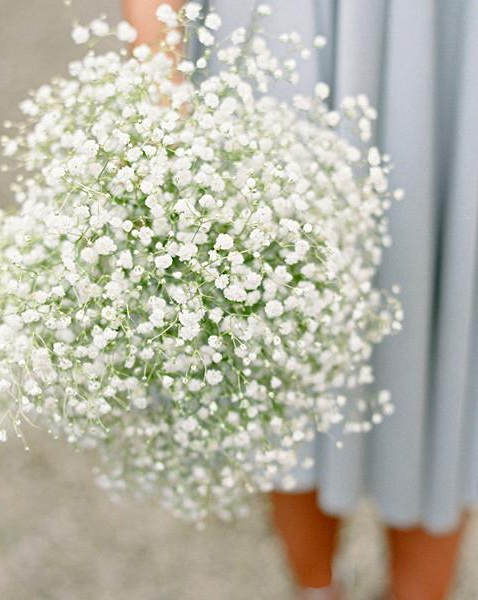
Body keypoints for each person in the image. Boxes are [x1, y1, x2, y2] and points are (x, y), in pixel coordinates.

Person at [121, 1, 478, 598]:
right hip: (285, 32)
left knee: (444, 325)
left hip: (453, 38)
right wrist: (159, 78)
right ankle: (315, 588)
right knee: (281, 347)